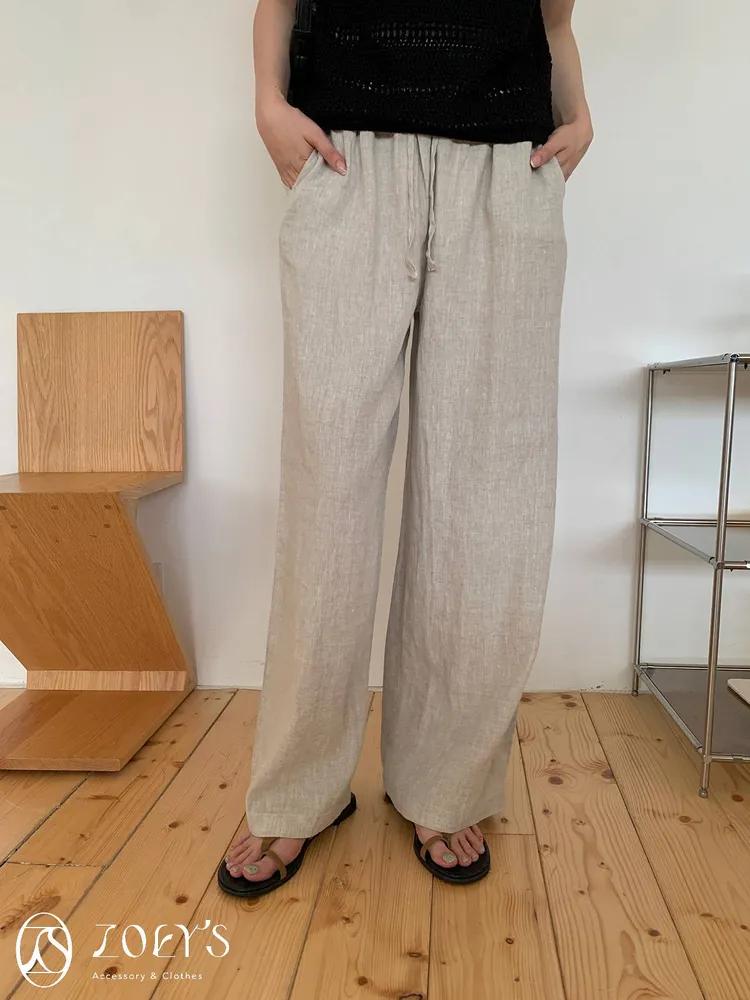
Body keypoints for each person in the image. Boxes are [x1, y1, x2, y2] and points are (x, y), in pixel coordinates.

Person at [220, 0, 592, 897]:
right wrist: (267, 103)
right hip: (351, 158)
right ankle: (298, 791)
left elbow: (552, 19)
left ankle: (445, 785)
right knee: (329, 491)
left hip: (504, 167)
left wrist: (580, 115)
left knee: (487, 501)